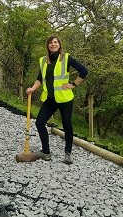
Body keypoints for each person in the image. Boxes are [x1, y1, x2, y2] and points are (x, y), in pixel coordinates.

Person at [26, 35, 88, 164]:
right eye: (50, 43)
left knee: (67, 125)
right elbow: (40, 78)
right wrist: (33, 88)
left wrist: (73, 84)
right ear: (47, 45)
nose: (53, 44)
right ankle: (46, 152)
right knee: (40, 123)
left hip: (64, 98)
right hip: (50, 98)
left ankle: (68, 153)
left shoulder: (66, 58)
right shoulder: (43, 61)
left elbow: (84, 71)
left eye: (55, 42)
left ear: (59, 44)